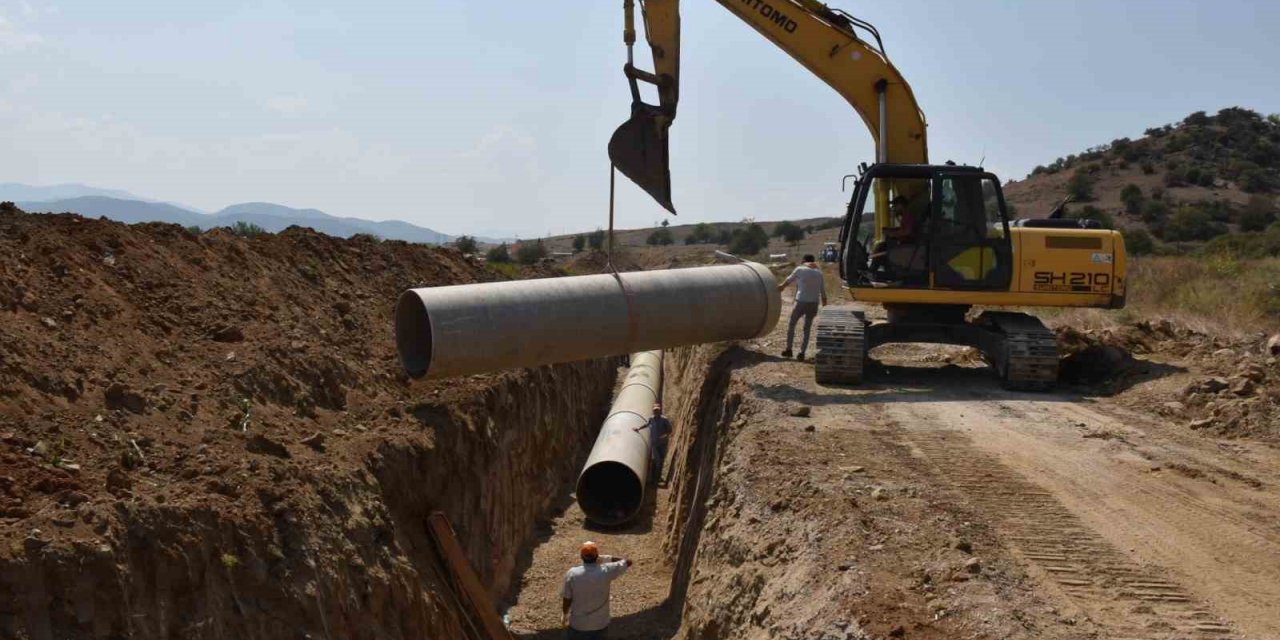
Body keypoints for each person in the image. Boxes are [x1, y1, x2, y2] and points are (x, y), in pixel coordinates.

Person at [561, 542, 632, 639]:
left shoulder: (572, 573)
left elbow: (567, 598)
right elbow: (628, 562)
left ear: (581, 556)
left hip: (578, 624)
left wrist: (565, 614)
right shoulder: (606, 570)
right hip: (600, 624)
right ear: (597, 556)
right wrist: (605, 558)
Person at [778, 254, 827, 361]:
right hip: (814, 303)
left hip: (801, 302)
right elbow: (823, 291)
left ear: (804, 260)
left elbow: (788, 280)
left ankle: (789, 350)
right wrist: (825, 306)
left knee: (792, 324)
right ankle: (802, 353)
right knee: (807, 328)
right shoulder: (819, 273)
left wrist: (781, 287)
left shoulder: (800, 269)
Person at [633, 403, 671, 486]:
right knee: (657, 461)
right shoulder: (651, 419)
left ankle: (656, 478)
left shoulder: (664, 420)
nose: (656, 412)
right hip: (655, 444)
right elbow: (647, 424)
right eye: (655, 410)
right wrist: (638, 428)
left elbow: (669, 430)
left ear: (660, 411)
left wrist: (664, 436)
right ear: (653, 411)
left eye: (657, 410)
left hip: (663, 444)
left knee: (660, 461)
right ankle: (654, 480)